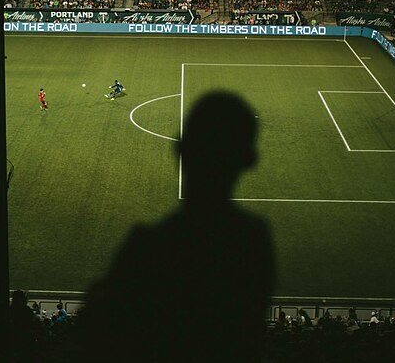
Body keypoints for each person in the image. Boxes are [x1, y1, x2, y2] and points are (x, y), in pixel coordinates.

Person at [78, 91, 274, 363]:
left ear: (179, 149)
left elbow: (98, 334)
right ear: (249, 160)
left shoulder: (146, 247)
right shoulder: (254, 241)